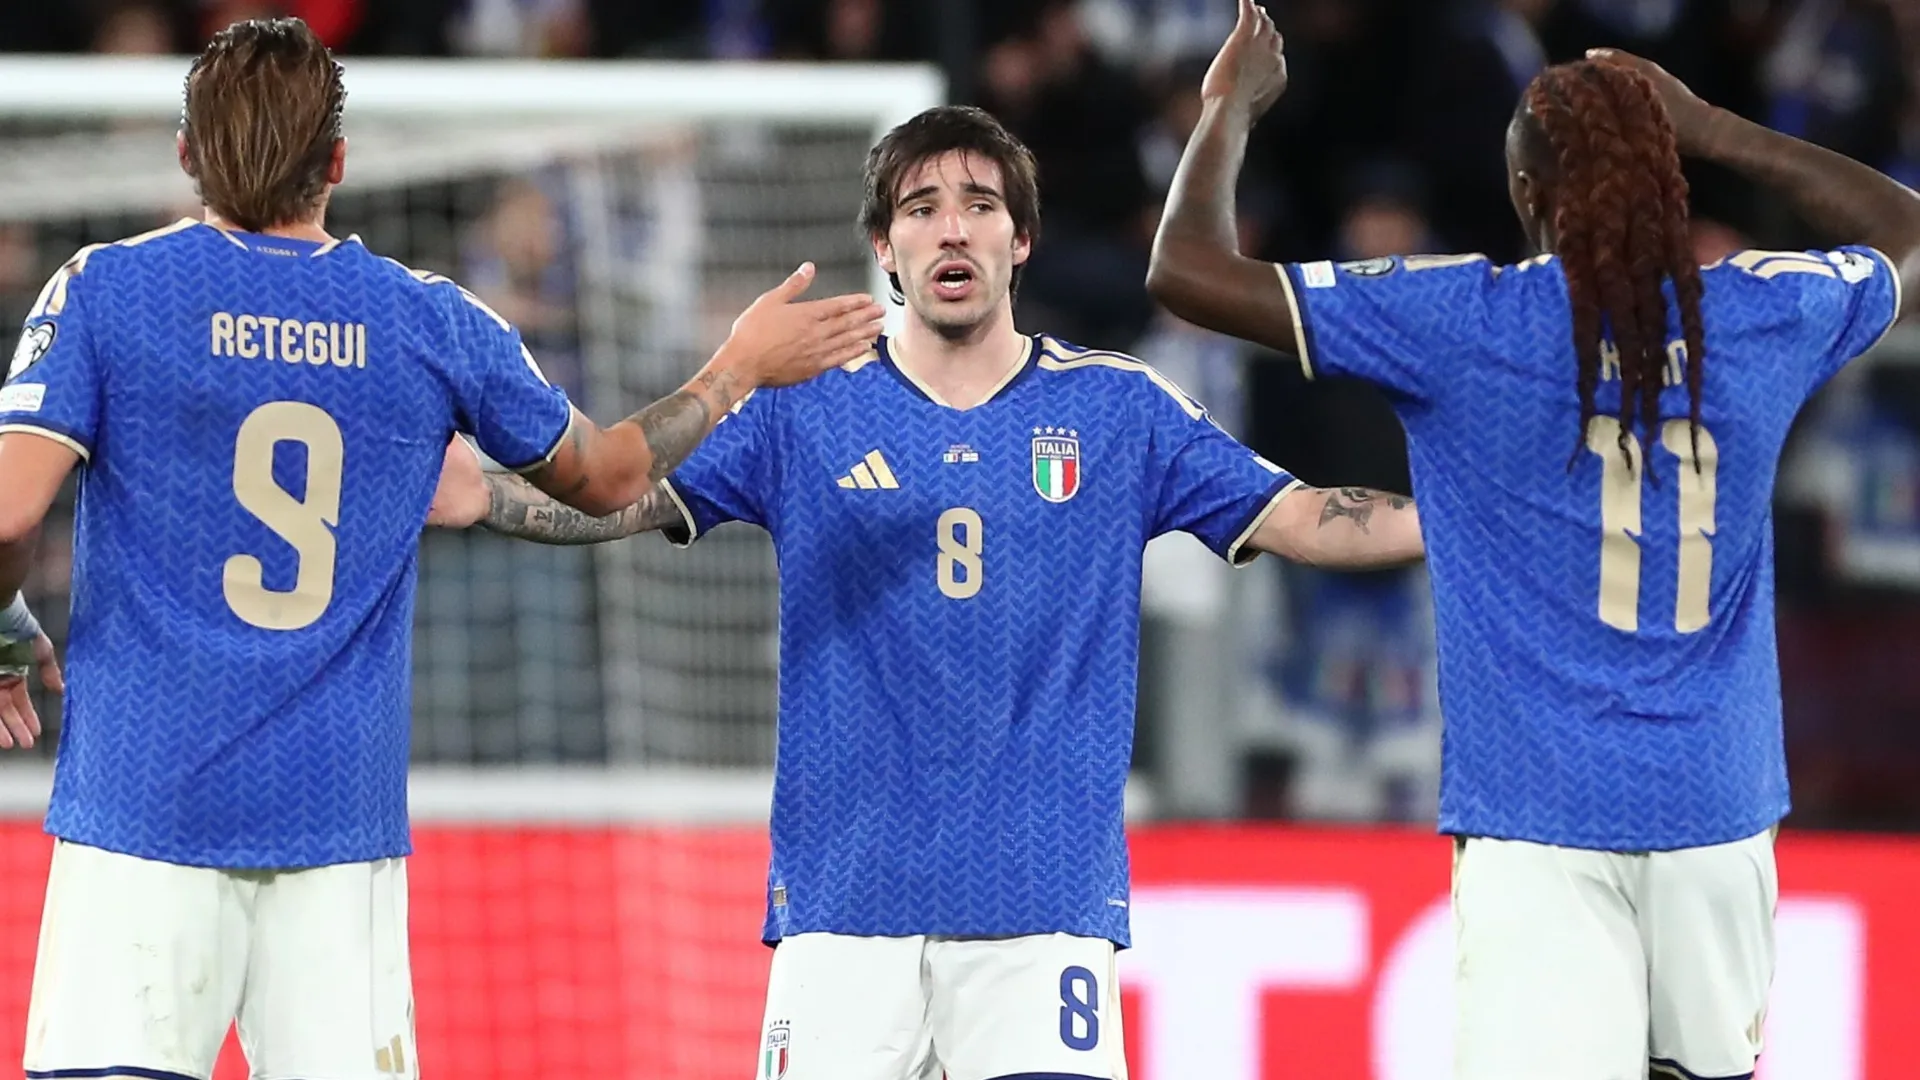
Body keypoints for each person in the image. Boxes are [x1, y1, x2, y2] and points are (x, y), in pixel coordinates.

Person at [430, 104, 1423, 1080]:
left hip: (1041, 920)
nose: (953, 225)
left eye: (982, 204)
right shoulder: (803, 408)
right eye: (920, 207)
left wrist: (1464, 525)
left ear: (1022, 240)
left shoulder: (1117, 407)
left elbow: (1304, 516)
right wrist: (487, 495)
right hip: (843, 915)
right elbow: (619, 498)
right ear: (884, 247)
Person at [0, 17, 881, 1080]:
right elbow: (606, 477)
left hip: (138, 806)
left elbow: (7, 517)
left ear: (186, 153)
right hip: (335, 827)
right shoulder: (425, 321)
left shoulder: (103, 289)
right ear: (337, 162)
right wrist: (734, 366)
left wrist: (8, 624)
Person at [1146, 2, 1920, 1077]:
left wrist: (1227, 108)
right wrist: (1716, 127)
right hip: (1719, 808)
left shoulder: (1463, 321)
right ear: (1670, 183)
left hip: (1537, 818)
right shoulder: (1754, 316)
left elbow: (1186, 272)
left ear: (1524, 196)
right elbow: (1905, 232)